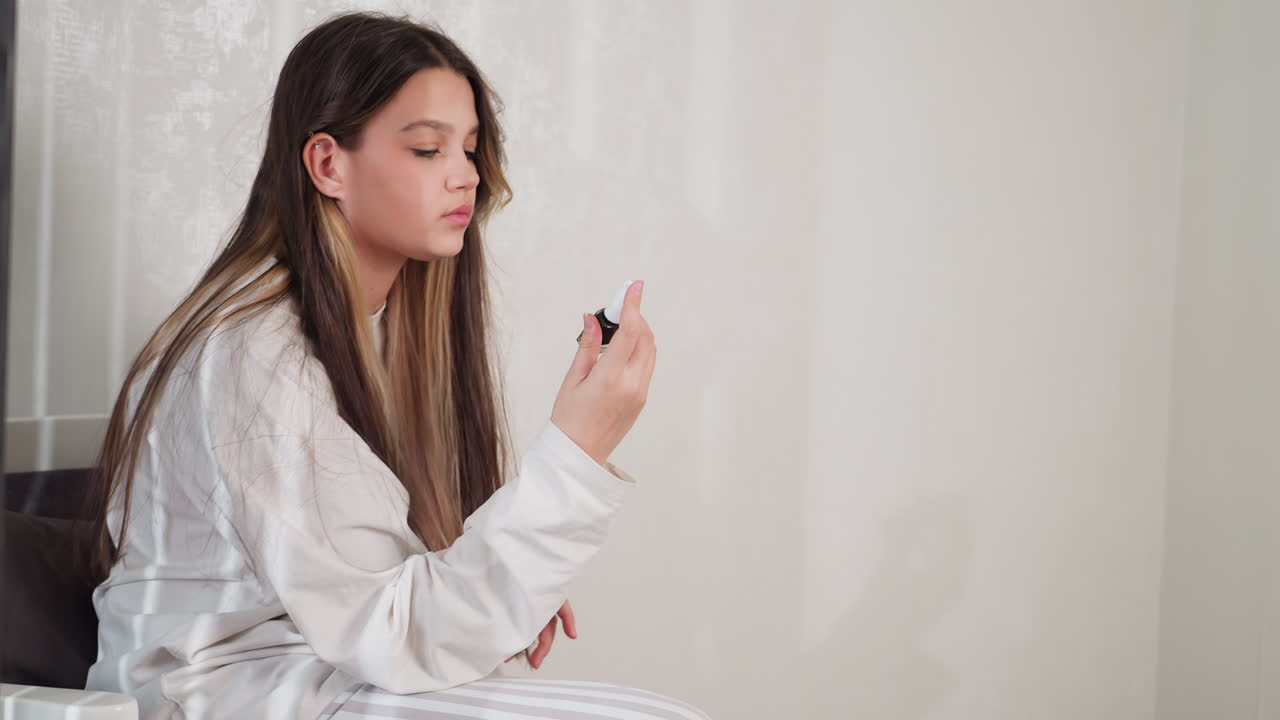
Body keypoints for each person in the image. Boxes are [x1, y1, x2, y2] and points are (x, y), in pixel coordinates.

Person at [77, 10, 707, 720]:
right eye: (428, 151)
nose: (466, 176)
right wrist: (577, 451)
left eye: (470, 149)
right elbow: (394, 632)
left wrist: (507, 586)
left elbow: (377, 599)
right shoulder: (250, 352)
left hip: (323, 678)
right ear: (327, 164)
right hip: (220, 697)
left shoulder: (383, 332)